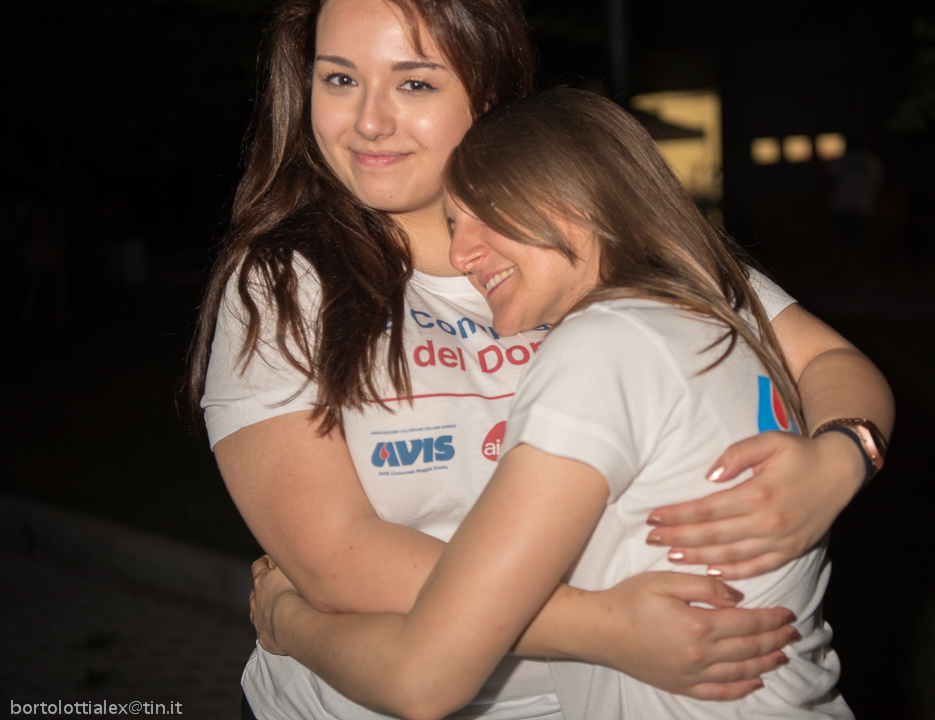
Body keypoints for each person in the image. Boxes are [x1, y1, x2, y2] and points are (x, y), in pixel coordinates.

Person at [187, 1, 894, 718]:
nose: (368, 121)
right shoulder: (286, 283)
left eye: (414, 83)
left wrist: (841, 460)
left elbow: (825, 358)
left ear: (489, 94)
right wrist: (600, 626)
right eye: (339, 79)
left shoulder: (602, 241)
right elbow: (335, 557)